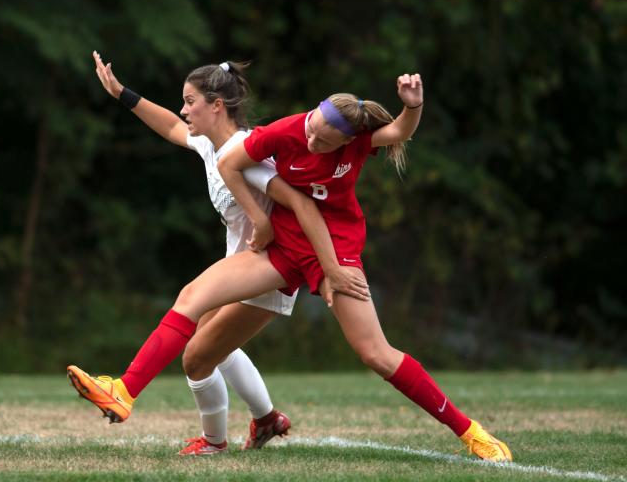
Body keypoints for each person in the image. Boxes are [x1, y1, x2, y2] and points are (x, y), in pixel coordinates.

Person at [68, 73, 513, 462]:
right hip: (281, 250)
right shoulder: (286, 132)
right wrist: (262, 221)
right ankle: (124, 392)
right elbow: (229, 164)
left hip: (334, 250)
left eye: (322, 140)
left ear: (347, 141)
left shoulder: (355, 141)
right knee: (192, 299)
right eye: (311, 128)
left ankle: (471, 432)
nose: (311, 139)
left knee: (375, 354)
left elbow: (395, 133)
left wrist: (412, 106)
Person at [69, 52, 369, 455]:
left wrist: (315, 259)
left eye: (190, 100)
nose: (183, 109)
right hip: (242, 266)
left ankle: (193, 430)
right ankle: (266, 420)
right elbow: (172, 127)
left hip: (271, 271)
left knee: (196, 358)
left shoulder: (248, 152)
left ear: (216, 106)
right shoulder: (211, 146)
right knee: (213, 348)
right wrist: (122, 94)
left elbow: (300, 203)